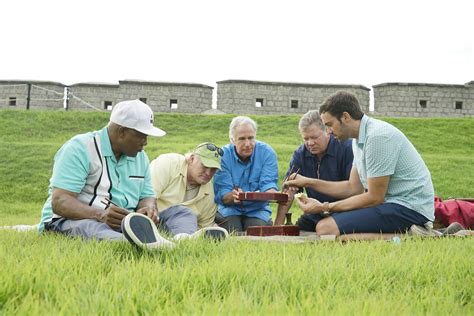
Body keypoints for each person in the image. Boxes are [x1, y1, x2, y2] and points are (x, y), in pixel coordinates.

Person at [285, 91, 435, 236]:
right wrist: (307, 182)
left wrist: (325, 207)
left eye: (330, 125)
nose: (329, 131)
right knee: (325, 228)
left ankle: (414, 235)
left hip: (409, 208)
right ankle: (412, 233)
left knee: (326, 228)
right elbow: (352, 188)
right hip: (391, 205)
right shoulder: (358, 141)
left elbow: (375, 197)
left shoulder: (378, 137)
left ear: (345, 117)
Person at [39, 99, 174, 249]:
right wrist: (101, 215)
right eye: (142, 135)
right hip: (72, 220)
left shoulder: (140, 157)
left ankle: (183, 237)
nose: (145, 142)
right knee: (93, 229)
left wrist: (148, 209)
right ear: (122, 131)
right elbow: (60, 201)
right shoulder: (80, 148)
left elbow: (147, 196)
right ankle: (137, 243)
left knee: (179, 213)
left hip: (124, 222)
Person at [274, 110, 353, 230]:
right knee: (297, 231)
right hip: (314, 214)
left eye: (315, 137)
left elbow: (353, 189)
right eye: (305, 138)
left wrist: (306, 182)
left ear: (327, 130)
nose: (310, 143)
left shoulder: (347, 148)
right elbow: (288, 192)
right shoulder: (300, 154)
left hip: (344, 210)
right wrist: (277, 227)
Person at [149, 143, 229, 240]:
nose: (208, 173)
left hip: (180, 227)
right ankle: (182, 239)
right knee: (184, 212)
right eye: (204, 166)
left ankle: (178, 240)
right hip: (150, 217)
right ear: (191, 159)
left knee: (188, 218)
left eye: (213, 169)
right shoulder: (168, 163)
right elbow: (146, 196)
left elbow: (205, 226)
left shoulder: (210, 193)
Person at [213, 116, 279, 233]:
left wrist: (273, 193)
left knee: (257, 232)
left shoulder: (267, 153)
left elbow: (268, 183)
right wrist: (232, 196)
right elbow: (222, 194)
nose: (247, 144)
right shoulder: (223, 156)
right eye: (242, 139)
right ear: (232, 140)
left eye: (251, 138)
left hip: (257, 209)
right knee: (232, 232)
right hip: (230, 209)